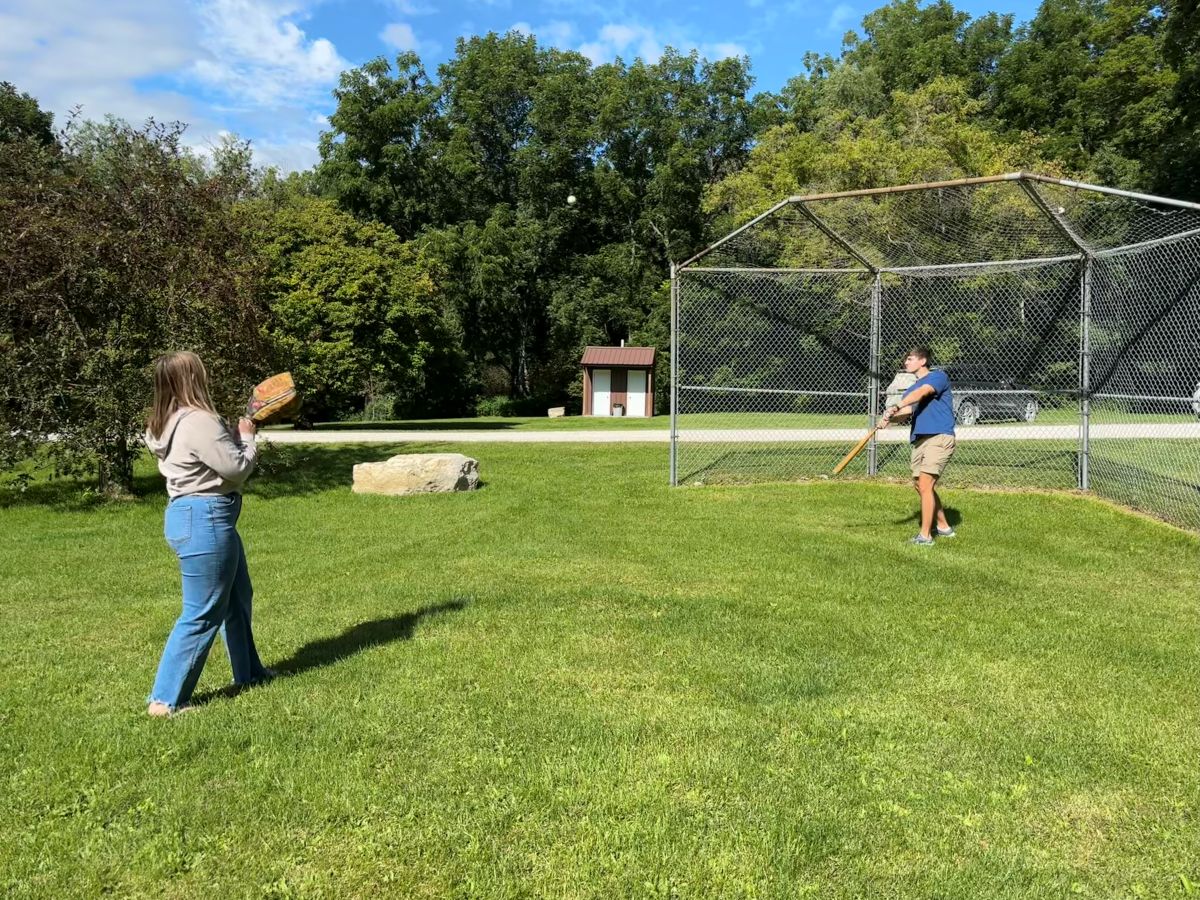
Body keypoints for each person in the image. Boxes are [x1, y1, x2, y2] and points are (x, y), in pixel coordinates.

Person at [143, 351, 272, 716]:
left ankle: (249, 674)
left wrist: (229, 437)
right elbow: (236, 468)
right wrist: (247, 437)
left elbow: (206, 457)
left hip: (189, 517)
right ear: (192, 379)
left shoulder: (164, 421)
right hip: (207, 520)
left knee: (236, 597)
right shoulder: (199, 420)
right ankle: (165, 700)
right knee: (201, 612)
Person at [878, 347, 957, 546]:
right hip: (920, 439)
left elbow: (924, 392)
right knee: (920, 486)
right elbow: (906, 411)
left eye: (910, 359)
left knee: (925, 485)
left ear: (922, 361)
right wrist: (889, 417)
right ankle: (944, 527)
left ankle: (925, 537)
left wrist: (897, 405)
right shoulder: (913, 388)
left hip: (938, 437)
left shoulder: (937, 377)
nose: (906, 363)